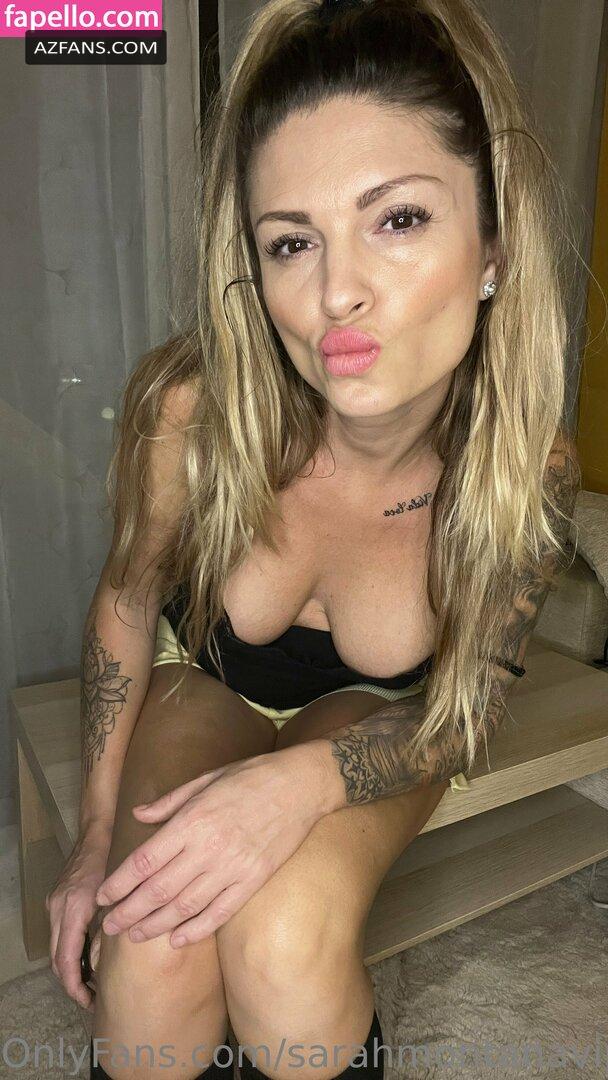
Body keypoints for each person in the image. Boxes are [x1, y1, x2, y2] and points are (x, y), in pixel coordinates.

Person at [45, 0, 581, 1077]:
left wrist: (298, 784)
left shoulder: (523, 472)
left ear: (492, 246)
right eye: (291, 241)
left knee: (283, 942)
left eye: (397, 219)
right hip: (206, 679)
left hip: (385, 711)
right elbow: (127, 599)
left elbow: (466, 709)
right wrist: (94, 837)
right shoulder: (192, 410)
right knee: (150, 945)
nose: (335, 293)